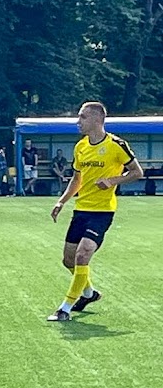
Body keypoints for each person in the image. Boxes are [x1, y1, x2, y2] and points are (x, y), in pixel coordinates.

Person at [47, 102, 143, 322]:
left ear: (98, 119)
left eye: (82, 117)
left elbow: (137, 172)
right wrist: (62, 202)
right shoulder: (80, 146)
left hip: (102, 212)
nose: (78, 121)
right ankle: (89, 293)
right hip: (82, 209)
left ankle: (65, 308)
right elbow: (77, 178)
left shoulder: (117, 145)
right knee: (69, 260)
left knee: (83, 254)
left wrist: (112, 181)